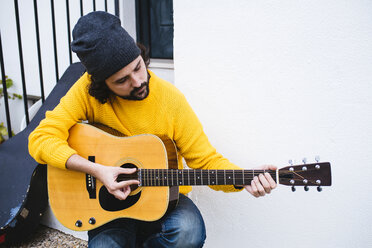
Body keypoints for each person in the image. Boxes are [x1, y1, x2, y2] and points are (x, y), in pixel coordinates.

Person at [28, 11, 277, 248]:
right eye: (122, 80)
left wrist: (244, 177)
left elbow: (205, 160)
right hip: (107, 205)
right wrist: (97, 170)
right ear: (101, 84)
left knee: (188, 233)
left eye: (137, 67)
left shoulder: (170, 100)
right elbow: (40, 138)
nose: (138, 81)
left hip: (166, 199)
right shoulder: (85, 93)